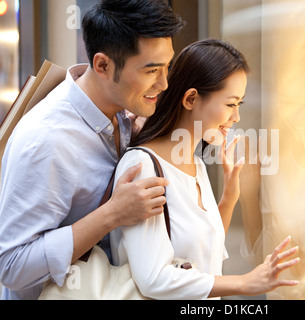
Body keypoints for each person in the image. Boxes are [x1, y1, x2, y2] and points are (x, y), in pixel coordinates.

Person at [0, 0, 185, 300]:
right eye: (151, 70)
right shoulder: (46, 140)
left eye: (167, 67)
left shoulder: (123, 114)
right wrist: (112, 214)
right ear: (102, 65)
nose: (163, 83)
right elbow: (11, 266)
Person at [110, 39, 300, 300]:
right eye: (231, 104)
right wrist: (245, 282)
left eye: (239, 105)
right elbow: (153, 280)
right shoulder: (143, 168)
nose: (236, 117)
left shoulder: (196, 164)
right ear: (191, 99)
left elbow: (204, 252)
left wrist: (229, 199)